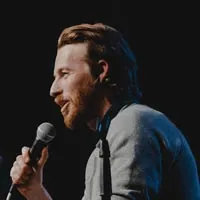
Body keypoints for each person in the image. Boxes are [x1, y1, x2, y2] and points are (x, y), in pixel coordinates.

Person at [9, 22, 200, 200]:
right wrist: (34, 191)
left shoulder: (133, 122)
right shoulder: (103, 148)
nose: (53, 90)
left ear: (101, 71)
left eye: (65, 74)